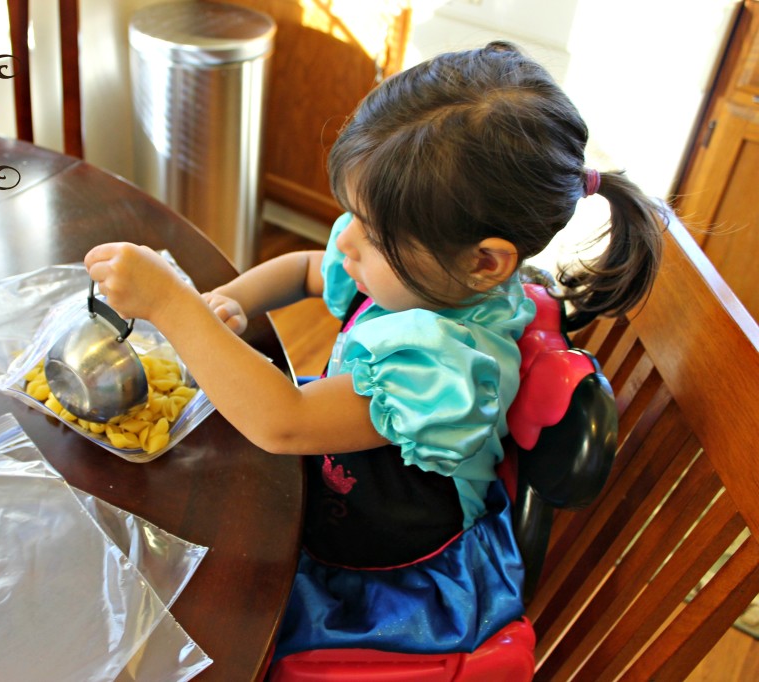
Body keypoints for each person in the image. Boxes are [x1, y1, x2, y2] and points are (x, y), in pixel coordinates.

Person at [84, 41, 665, 659]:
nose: (347, 243)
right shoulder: (423, 266)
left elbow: (286, 423)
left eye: (373, 233)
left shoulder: (444, 365)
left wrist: (173, 307)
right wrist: (229, 300)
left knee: (211, 624)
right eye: (352, 214)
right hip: (332, 491)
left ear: (485, 263)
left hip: (386, 572)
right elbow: (310, 267)